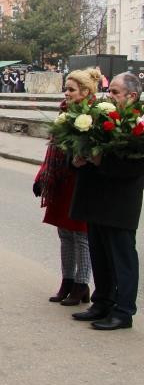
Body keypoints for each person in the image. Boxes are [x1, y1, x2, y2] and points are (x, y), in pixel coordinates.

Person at [70, 72, 144, 330]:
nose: (109, 97)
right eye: (109, 91)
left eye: (115, 92)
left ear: (131, 96)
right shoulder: (102, 117)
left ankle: (123, 311)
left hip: (120, 203)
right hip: (97, 199)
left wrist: (101, 160)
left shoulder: (138, 123)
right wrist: (79, 159)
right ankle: (102, 301)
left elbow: (134, 167)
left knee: (122, 258)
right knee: (99, 254)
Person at [33, 69, 97, 306]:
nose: (66, 93)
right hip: (61, 180)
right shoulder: (64, 113)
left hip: (81, 182)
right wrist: (42, 176)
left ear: (86, 91)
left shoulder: (94, 115)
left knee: (80, 235)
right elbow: (52, 149)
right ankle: (67, 281)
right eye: (66, 89)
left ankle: (82, 284)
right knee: (64, 232)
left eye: (71, 89)